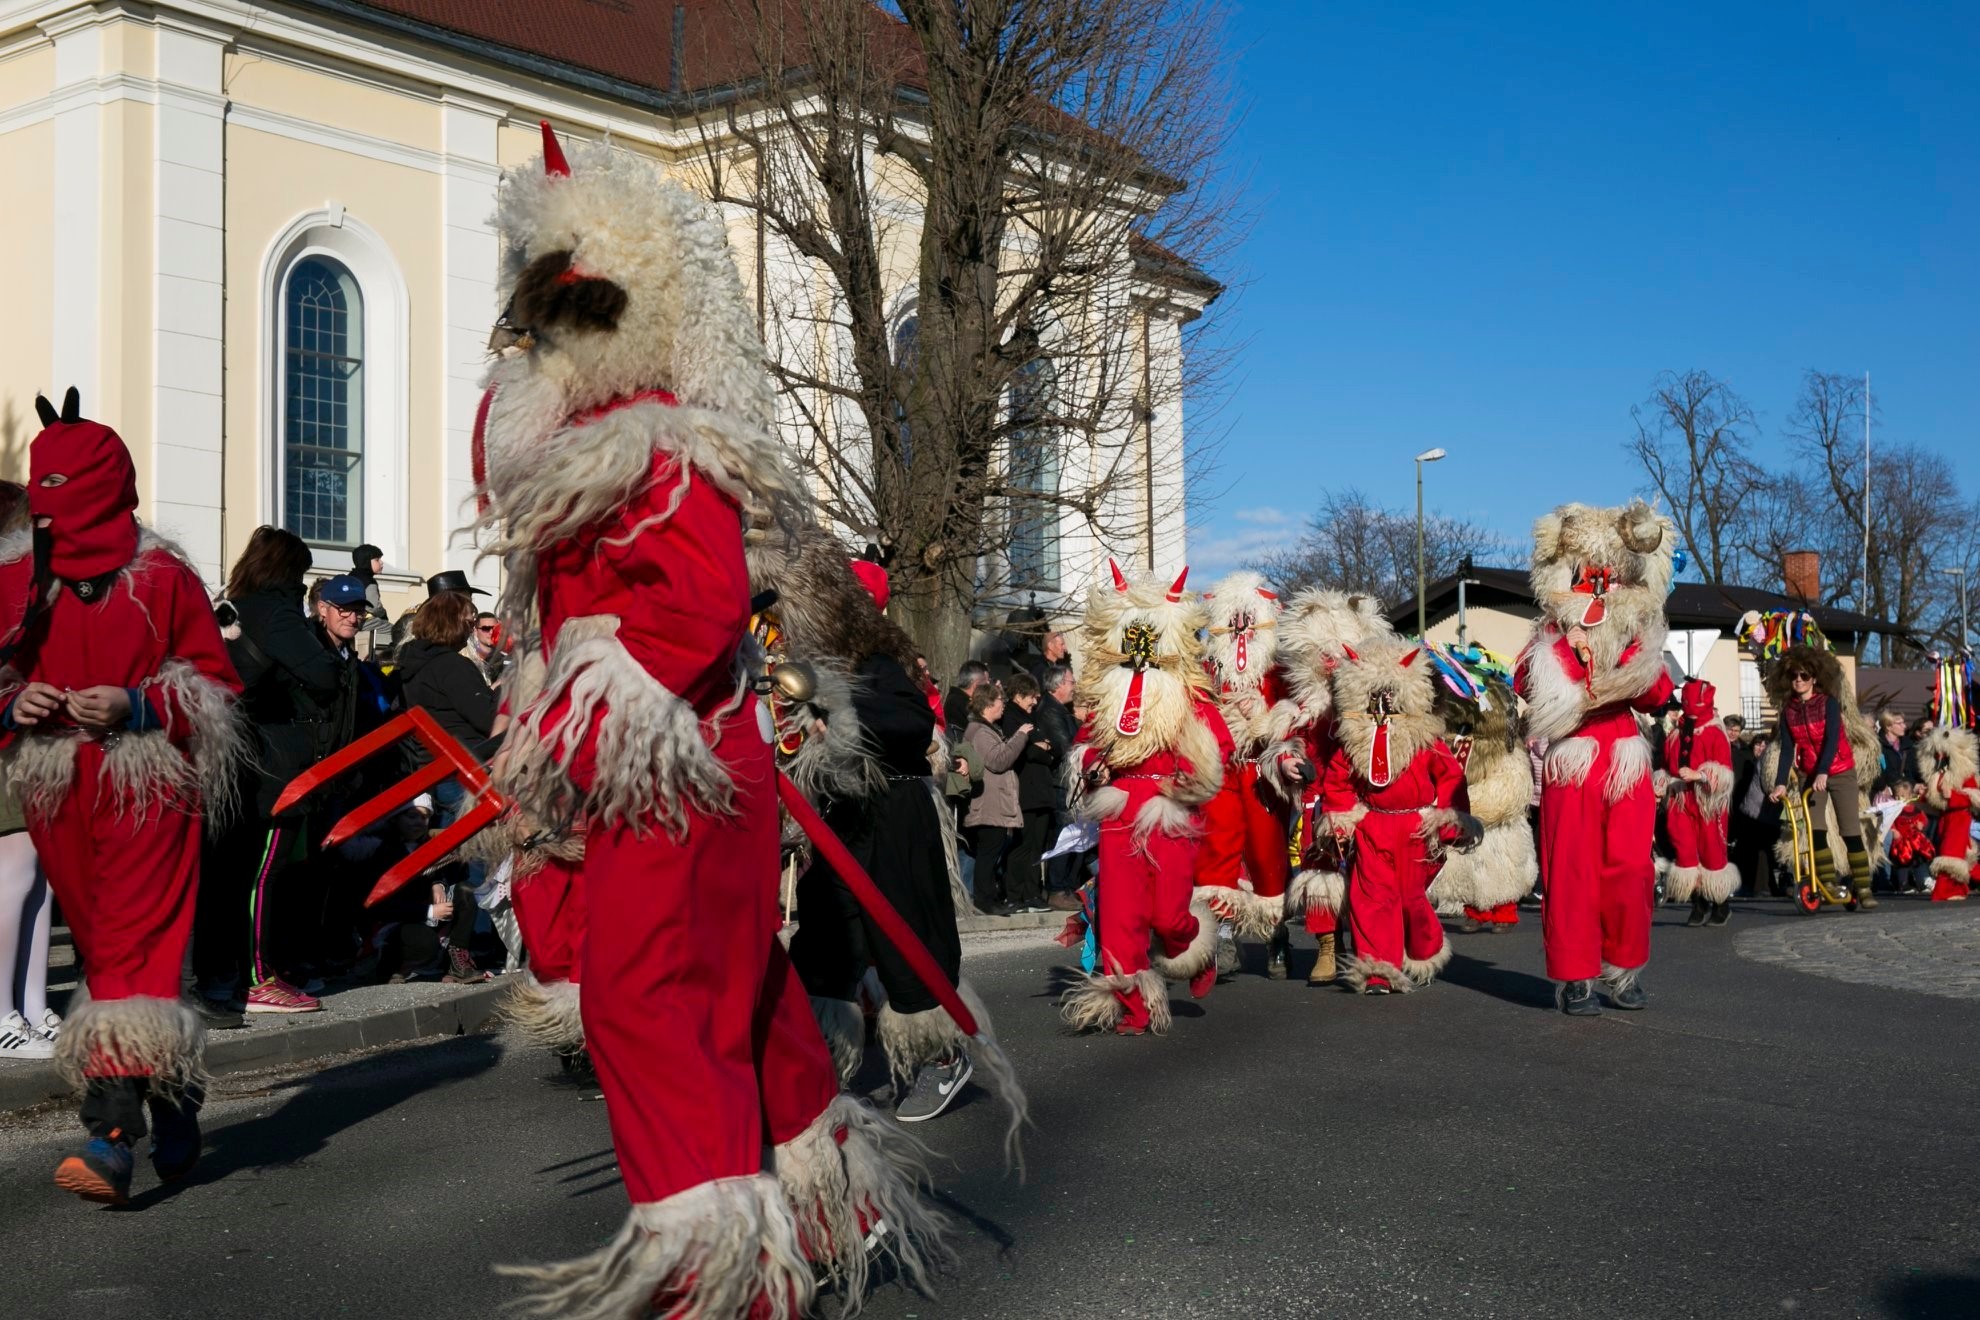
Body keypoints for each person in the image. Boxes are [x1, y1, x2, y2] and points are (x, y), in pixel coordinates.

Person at [474, 125, 940, 1313]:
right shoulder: (592, 448)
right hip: (686, 772)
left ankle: (722, 1275)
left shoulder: (652, 446)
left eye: (550, 316)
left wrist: (591, 704)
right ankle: (832, 1202)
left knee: (647, 1004)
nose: (527, 341)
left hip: (672, 776)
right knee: (742, 989)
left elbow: (693, 607)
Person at [1, 388, 244, 1204]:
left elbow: (215, 687)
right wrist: (17, 701)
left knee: (129, 945)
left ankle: (108, 1134)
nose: (51, 516)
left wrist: (137, 704)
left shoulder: (164, 575)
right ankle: (174, 1094)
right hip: (56, 784)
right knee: (110, 949)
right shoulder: (19, 575)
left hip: (149, 783)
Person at [1515, 500, 1677, 1016]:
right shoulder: (1550, 631)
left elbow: (1657, 693)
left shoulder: (1638, 629)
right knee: (1571, 872)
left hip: (1623, 758)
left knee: (1630, 870)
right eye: (1589, 574)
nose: (1599, 585)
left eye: (1607, 575)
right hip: (1572, 760)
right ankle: (1576, 977)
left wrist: (1628, 658)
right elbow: (1526, 683)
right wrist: (1568, 649)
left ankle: (1625, 969)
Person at [1059, 563, 1223, 1036]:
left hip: (1170, 806)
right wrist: (1093, 765)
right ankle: (1134, 1004)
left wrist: (1188, 776)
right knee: (1120, 916)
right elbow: (1088, 743)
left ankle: (1195, 948)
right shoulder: (1108, 696)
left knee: (1168, 914)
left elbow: (1217, 746)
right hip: (1120, 807)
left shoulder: (1189, 695)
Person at [203, 529, 361, 1016]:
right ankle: (255, 979)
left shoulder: (232, 605)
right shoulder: (277, 611)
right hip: (273, 764)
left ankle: (224, 975)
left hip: (231, 757)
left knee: (230, 873)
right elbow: (323, 675)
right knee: (262, 874)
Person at [1320, 638, 1477, 993]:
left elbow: (1451, 777)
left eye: (1389, 695)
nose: (1382, 705)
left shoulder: (1425, 740)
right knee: (1371, 900)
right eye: (1374, 696)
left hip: (1415, 829)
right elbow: (1338, 780)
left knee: (1411, 900)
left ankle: (1424, 948)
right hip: (1372, 825)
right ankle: (1378, 970)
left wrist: (1451, 819)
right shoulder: (1354, 742)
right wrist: (1340, 819)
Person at [1264, 588, 1396, 985]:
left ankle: (1368, 945)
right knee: (1318, 869)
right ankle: (1327, 945)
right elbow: (1282, 746)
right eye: (1324, 652)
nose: (1330, 660)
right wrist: (1286, 761)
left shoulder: (1370, 701)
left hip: (1364, 799)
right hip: (1316, 798)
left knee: (1368, 876)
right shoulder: (1300, 707)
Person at [1194, 572, 1300, 977]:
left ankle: (1275, 934)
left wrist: (1261, 716)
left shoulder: (1279, 672)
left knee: (1266, 854)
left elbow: (1294, 726)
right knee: (1217, 852)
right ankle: (1222, 936)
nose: (1240, 628)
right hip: (1221, 771)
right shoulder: (1207, 671)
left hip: (1263, 773)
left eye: (1248, 620)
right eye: (1233, 620)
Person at [395, 591, 503, 983]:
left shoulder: (412, 663)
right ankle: (463, 949)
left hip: (433, 771)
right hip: (465, 774)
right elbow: (486, 718)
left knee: (448, 863)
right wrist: (505, 689)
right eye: (470, 619)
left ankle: (440, 949)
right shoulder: (452, 666)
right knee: (476, 864)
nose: (474, 627)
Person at [0, 481, 56, 1060]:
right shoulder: (10, 581)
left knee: (40, 874)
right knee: (15, 872)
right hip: (6, 742)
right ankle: (3, 1013)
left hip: (31, 742)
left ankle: (31, 1003)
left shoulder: (32, 580)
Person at [1765, 644, 1877, 911]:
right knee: (1815, 830)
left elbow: (1831, 739)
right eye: (1794, 676)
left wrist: (1824, 770)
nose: (1799, 680)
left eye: (1804, 675)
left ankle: (1863, 887)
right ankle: (1827, 882)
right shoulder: (1789, 711)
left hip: (1839, 771)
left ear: (1814, 678)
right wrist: (1780, 783)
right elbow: (1787, 749)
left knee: (1849, 830)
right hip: (1809, 774)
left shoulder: (1828, 703)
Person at [1658, 678, 1738, 926]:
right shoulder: (1676, 734)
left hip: (1707, 801)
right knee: (1685, 850)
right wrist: (1661, 783)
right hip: (1681, 800)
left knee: (1711, 850)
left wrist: (1700, 775)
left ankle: (1721, 903)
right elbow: (1666, 766)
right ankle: (1698, 902)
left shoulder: (1714, 732)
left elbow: (1725, 771)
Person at [962, 684, 1029, 913]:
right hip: (988, 804)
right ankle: (985, 901)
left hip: (992, 802)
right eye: (1001, 700)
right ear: (988, 704)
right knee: (988, 853)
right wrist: (1020, 736)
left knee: (990, 852)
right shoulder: (980, 732)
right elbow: (998, 762)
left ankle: (989, 898)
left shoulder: (985, 730)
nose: (1004, 705)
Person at [1001, 672, 1061, 914]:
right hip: (1025, 790)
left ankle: (1032, 893)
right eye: (1031, 697)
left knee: (1037, 846)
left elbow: (1054, 747)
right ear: (1018, 695)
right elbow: (1024, 751)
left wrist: (1043, 747)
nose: (1035, 702)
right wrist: (1040, 748)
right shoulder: (1010, 717)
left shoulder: (1032, 718)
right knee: (1022, 845)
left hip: (1041, 791)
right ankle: (1014, 894)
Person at [1916, 727, 1977, 902]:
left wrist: (1953, 796)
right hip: (1945, 819)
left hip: (1959, 818)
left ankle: (1944, 891)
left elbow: (1974, 797)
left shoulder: (1965, 773)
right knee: (1962, 857)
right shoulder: (1937, 774)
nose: (1939, 756)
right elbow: (1935, 801)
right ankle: (1957, 888)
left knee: (1950, 854)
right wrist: (1923, 795)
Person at [1874, 706, 1919, 793]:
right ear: (1888, 726)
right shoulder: (1878, 746)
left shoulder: (1908, 744)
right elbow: (1886, 774)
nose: (1904, 726)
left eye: (1904, 722)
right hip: (1888, 793)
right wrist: (1913, 785)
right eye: (1899, 723)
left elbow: (1913, 770)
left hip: (1908, 791)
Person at [945, 659, 990, 733]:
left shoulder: (958, 699)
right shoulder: (959, 703)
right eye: (986, 684)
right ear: (976, 685)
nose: (989, 688)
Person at [469, 611, 508, 686]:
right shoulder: (468, 658)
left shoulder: (505, 660)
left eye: (495, 628)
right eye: (486, 628)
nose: (491, 632)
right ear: (475, 631)